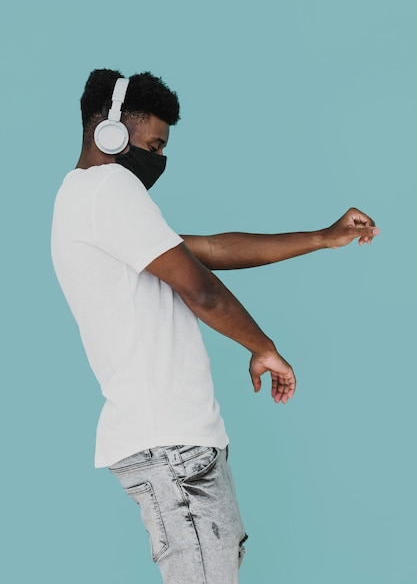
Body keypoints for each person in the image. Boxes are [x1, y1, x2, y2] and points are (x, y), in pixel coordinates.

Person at [51, 69, 379, 584]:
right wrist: (262, 346)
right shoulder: (107, 188)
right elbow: (199, 288)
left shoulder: (86, 201)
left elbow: (209, 251)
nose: (159, 160)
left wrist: (321, 236)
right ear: (110, 133)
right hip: (171, 449)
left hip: (178, 445)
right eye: (154, 144)